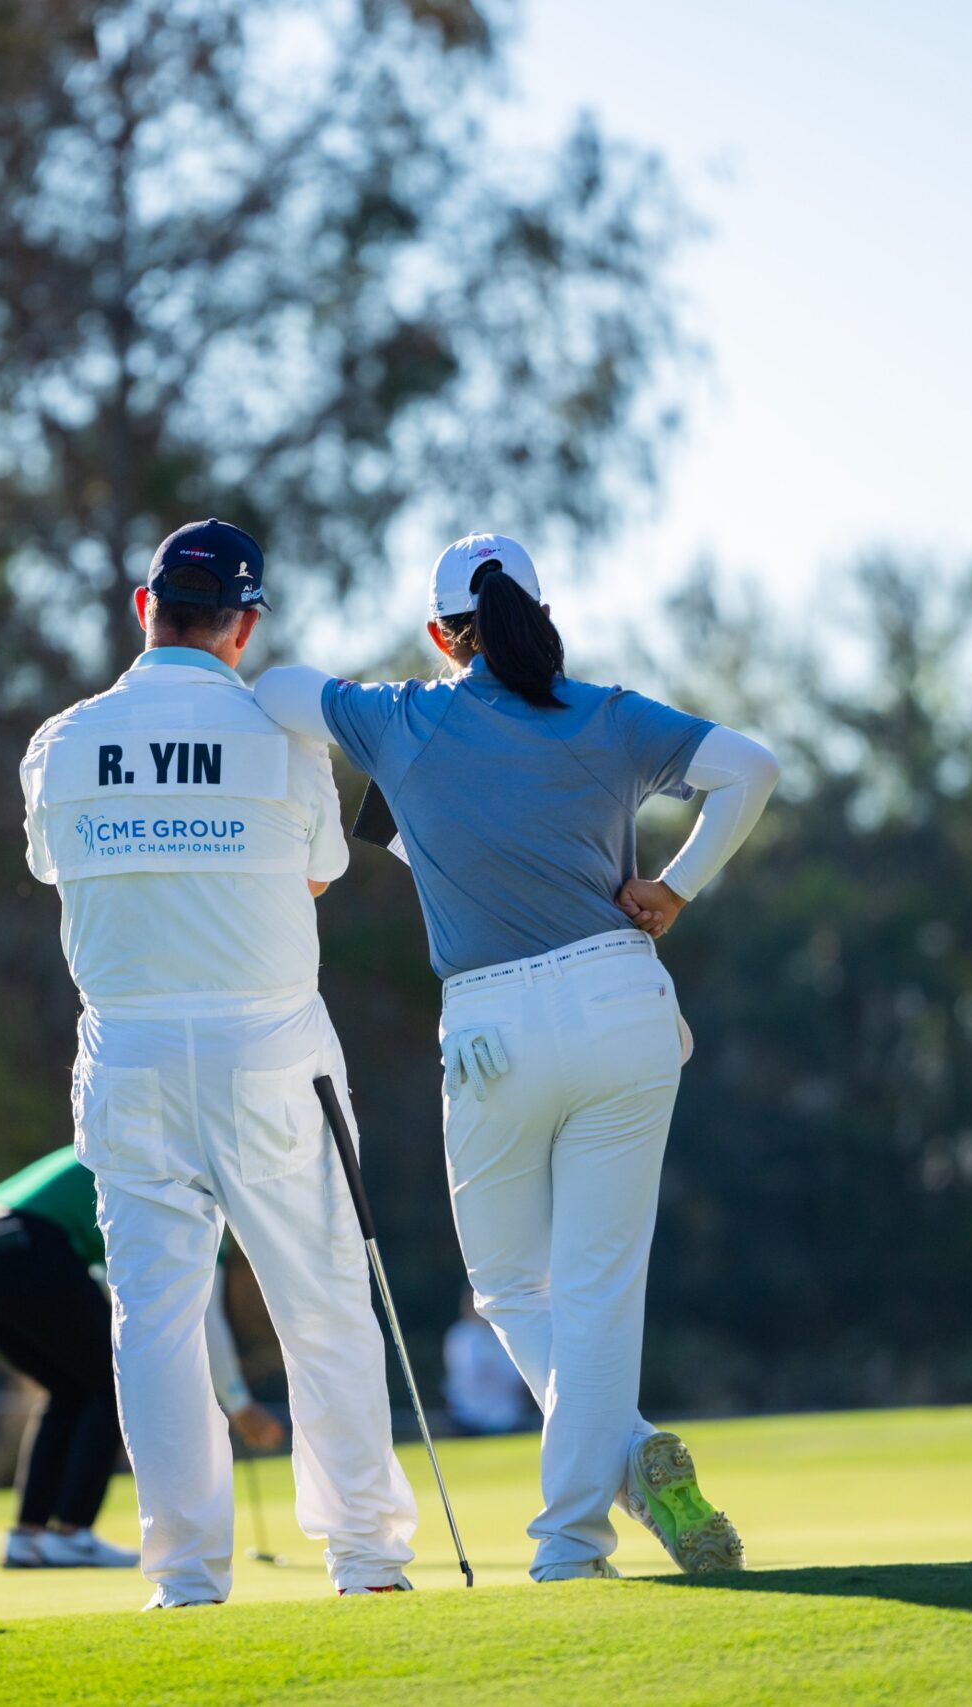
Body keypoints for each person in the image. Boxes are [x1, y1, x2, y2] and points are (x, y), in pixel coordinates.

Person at [255, 532, 779, 1581]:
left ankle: (602, 1503)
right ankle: (594, 1504)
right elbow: (751, 769)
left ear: (442, 633)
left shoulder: (404, 717)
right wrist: (674, 888)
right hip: (623, 1004)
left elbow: (275, 689)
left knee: (507, 1287)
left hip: (495, 1027)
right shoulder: (611, 714)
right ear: (537, 612)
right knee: (594, 1287)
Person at [18, 519, 417, 1608]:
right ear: (244, 627)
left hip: (128, 1055)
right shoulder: (283, 740)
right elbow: (316, 877)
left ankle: (186, 1575)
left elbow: (64, 871)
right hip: (270, 1049)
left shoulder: (60, 742)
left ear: (145, 610)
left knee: (154, 1319)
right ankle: (367, 1558)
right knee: (323, 1303)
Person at [0, 1145, 288, 1570]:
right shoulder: (195, 1193)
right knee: (110, 1383)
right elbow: (203, 1312)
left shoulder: (140, 1144)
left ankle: (27, 1536)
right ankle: (72, 1533)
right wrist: (239, 1402)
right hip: (27, 1245)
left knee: (69, 1390)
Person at [443, 1290, 535, 1436]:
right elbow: (467, 1375)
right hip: (467, 1417)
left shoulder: (506, 1333)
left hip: (508, 1416)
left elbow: (518, 1376)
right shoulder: (461, 1335)